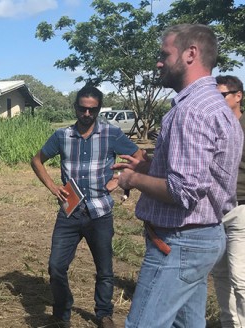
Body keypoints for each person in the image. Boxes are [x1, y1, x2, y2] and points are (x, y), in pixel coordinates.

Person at [115, 24, 244, 327]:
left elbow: (184, 190)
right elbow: (201, 175)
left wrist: (131, 180)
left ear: (190, 54)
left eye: (164, 54)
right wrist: (152, 167)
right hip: (201, 238)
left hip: (181, 242)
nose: (158, 62)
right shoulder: (213, 105)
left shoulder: (192, 111)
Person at [30, 86, 142, 328]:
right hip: (69, 210)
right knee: (56, 267)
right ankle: (61, 314)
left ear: (98, 109)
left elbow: (139, 157)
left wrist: (120, 177)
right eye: (83, 108)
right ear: (76, 108)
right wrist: (52, 186)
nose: (87, 113)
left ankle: (103, 314)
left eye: (93, 109)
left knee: (104, 268)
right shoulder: (62, 136)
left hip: (100, 211)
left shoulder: (111, 134)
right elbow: (36, 160)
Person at [211, 74, 245, 328]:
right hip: (213, 210)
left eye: (221, 95)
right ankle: (228, 323)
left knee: (240, 277)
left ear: (238, 96)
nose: (217, 100)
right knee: (220, 274)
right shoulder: (214, 126)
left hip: (241, 207)